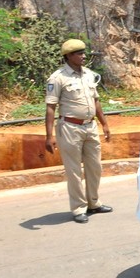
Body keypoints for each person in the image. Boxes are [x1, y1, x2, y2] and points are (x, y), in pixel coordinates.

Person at [45, 39, 112, 224]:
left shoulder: (89, 74)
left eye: (83, 53)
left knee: (95, 167)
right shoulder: (57, 78)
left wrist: (104, 124)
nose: (83, 56)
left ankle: (94, 203)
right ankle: (78, 208)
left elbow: (96, 100)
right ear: (68, 56)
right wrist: (49, 136)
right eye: (78, 53)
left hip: (90, 126)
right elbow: (50, 107)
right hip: (70, 128)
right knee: (74, 170)